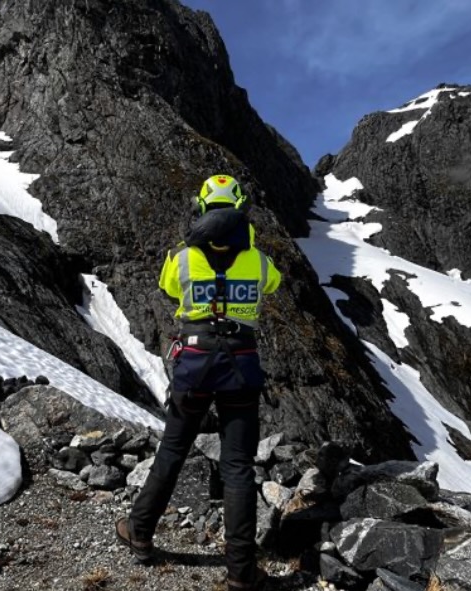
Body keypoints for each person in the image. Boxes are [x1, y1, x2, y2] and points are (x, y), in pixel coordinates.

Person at [116, 174, 281, 591]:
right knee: (238, 466)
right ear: (241, 209)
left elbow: (168, 287)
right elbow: (273, 284)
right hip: (241, 365)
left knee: (173, 449)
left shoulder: (182, 258)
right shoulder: (259, 261)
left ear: (200, 208)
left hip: (195, 362)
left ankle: (140, 532)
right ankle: (241, 572)